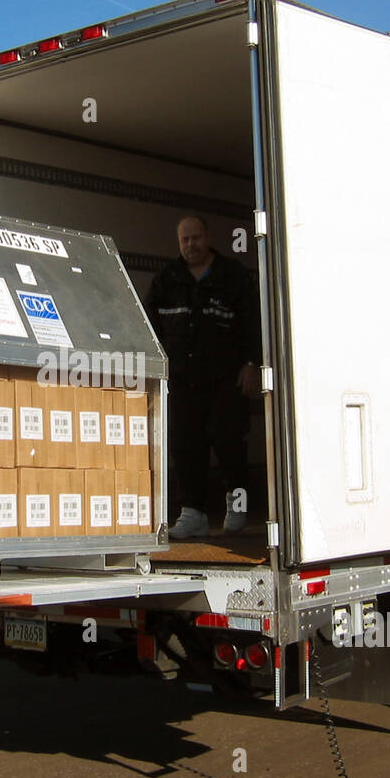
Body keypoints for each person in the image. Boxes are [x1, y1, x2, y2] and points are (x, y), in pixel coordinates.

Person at [145, 214, 260, 539]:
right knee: (184, 446)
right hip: (181, 381)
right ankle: (192, 513)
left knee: (229, 442)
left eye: (196, 238)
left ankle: (237, 507)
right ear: (178, 242)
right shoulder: (166, 279)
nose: (191, 245)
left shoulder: (233, 276)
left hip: (227, 379)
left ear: (208, 237)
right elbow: (148, 324)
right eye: (185, 240)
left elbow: (253, 323)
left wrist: (252, 363)